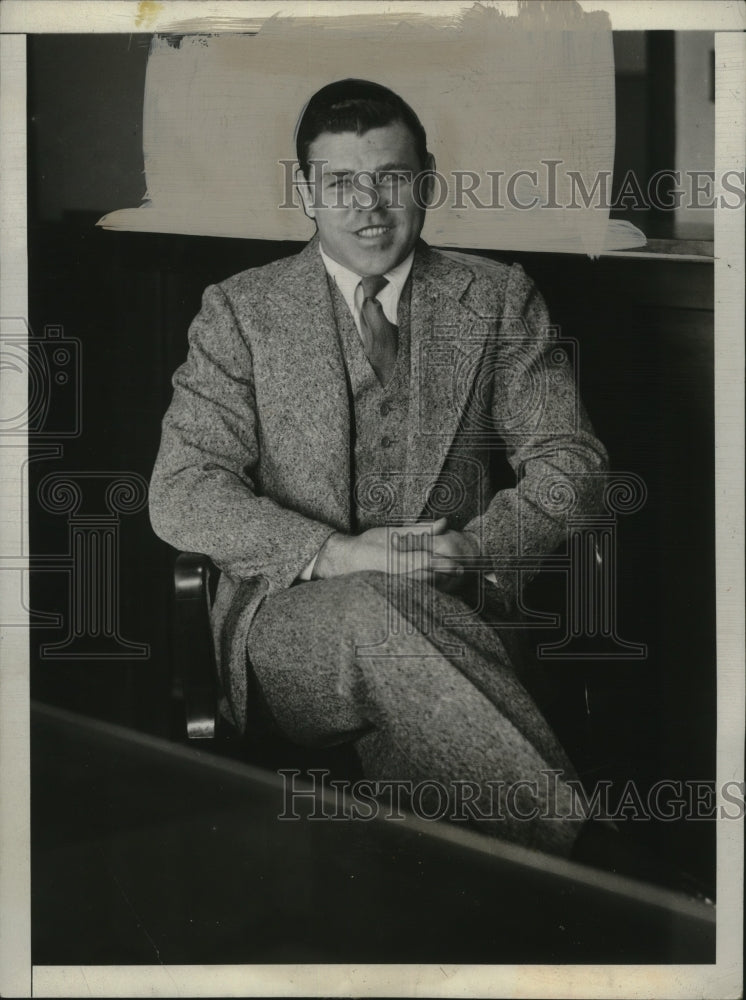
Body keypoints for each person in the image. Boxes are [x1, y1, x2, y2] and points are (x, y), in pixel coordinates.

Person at [149, 79, 609, 857]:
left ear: (425, 178)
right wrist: (340, 555)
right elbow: (181, 491)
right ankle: (588, 857)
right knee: (373, 613)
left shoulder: (495, 298)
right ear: (305, 191)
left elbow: (574, 464)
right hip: (291, 632)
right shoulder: (239, 311)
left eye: (392, 178)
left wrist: (479, 549)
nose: (370, 205)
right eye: (340, 183)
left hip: (461, 609)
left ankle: (501, 896)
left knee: (416, 774)